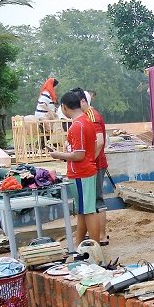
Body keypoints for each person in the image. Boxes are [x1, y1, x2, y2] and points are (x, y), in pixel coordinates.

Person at [49, 90, 100, 246]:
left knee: (88, 211)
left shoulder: (77, 125)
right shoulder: (85, 121)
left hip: (81, 173)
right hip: (83, 172)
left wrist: (59, 155)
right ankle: (78, 246)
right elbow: (93, 145)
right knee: (83, 211)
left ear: (64, 107)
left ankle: (95, 248)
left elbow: (79, 155)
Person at [77, 88, 110, 246]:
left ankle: (102, 235)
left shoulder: (92, 116)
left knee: (97, 200)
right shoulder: (86, 116)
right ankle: (97, 235)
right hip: (92, 164)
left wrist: (89, 161)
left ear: (83, 102)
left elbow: (100, 142)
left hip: (95, 165)